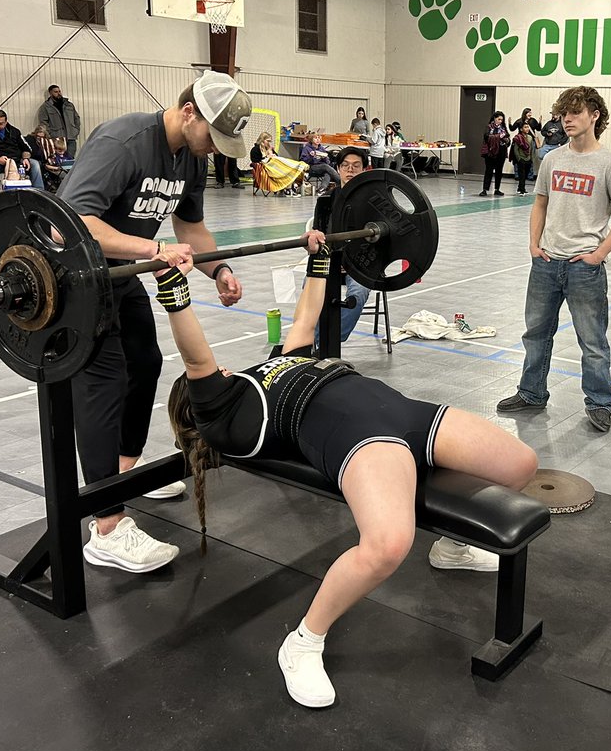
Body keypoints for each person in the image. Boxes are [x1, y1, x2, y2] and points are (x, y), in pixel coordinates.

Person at [157, 241, 538, 709]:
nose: (222, 368)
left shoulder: (271, 365)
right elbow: (196, 359)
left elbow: (305, 315)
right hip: (355, 436)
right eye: (212, 375)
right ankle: (303, 641)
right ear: (199, 401)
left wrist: (320, 252)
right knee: (386, 545)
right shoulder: (223, 416)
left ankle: (453, 548)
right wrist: (174, 289)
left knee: (520, 464)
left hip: (401, 411)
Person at [57, 71, 252, 573]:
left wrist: (220, 269)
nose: (213, 149)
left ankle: (124, 473)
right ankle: (106, 527)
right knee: (103, 383)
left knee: (144, 362)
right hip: (73, 280)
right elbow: (74, 220)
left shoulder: (188, 157)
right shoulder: (125, 142)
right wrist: (153, 248)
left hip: (120, 277)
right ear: (189, 112)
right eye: (212, 136)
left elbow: (191, 226)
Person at [497, 86, 611, 434]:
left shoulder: (609, 164)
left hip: (583, 269)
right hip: (545, 263)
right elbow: (540, 203)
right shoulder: (554, 158)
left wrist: (599, 254)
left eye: (574, 112)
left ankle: (600, 403)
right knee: (535, 334)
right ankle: (531, 392)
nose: (566, 119)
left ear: (595, 116)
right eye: (563, 113)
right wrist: (534, 245)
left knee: (593, 341)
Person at [313, 147, 372, 344]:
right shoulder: (326, 201)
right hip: (330, 262)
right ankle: (314, 346)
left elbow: (380, 242)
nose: (350, 170)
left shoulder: (375, 201)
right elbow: (317, 235)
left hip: (360, 266)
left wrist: (350, 263)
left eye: (356, 166)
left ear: (364, 169)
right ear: (338, 169)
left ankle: (329, 343)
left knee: (358, 293)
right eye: (345, 166)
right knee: (310, 290)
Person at [0, 109, 43, 192]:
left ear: (6, 122)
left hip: (15, 161)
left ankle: (39, 191)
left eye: (1, 123)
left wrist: (26, 158)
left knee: (34, 163)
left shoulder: (15, 131)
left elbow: (26, 148)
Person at [36, 84, 82, 157]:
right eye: (56, 92)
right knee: (59, 161)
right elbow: (43, 122)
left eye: (59, 91)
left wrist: (75, 130)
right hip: (57, 138)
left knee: (70, 159)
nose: (59, 93)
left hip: (71, 137)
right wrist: (50, 134)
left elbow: (76, 118)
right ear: (50, 93)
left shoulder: (69, 105)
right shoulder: (46, 107)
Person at [478, 110, 510, 197]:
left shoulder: (503, 128)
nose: (500, 121)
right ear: (494, 119)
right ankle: (485, 189)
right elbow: (486, 137)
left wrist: (507, 140)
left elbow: (507, 138)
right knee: (489, 170)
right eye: (499, 119)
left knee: (499, 171)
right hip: (491, 153)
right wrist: (498, 137)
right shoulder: (489, 127)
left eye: (502, 120)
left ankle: (497, 189)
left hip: (501, 152)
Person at [511, 122, 536, 195]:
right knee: (521, 175)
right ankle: (522, 189)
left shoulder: (530, 137)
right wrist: (519, 159)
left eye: (528, 127)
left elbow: (531, 148)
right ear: (521, 129)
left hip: (528, 158)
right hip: (521, 159)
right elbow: (515, 149)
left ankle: (520, 187)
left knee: (526, 174)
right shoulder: (518, 138)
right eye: (525, 127)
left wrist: (531, 158)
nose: (527, 129)